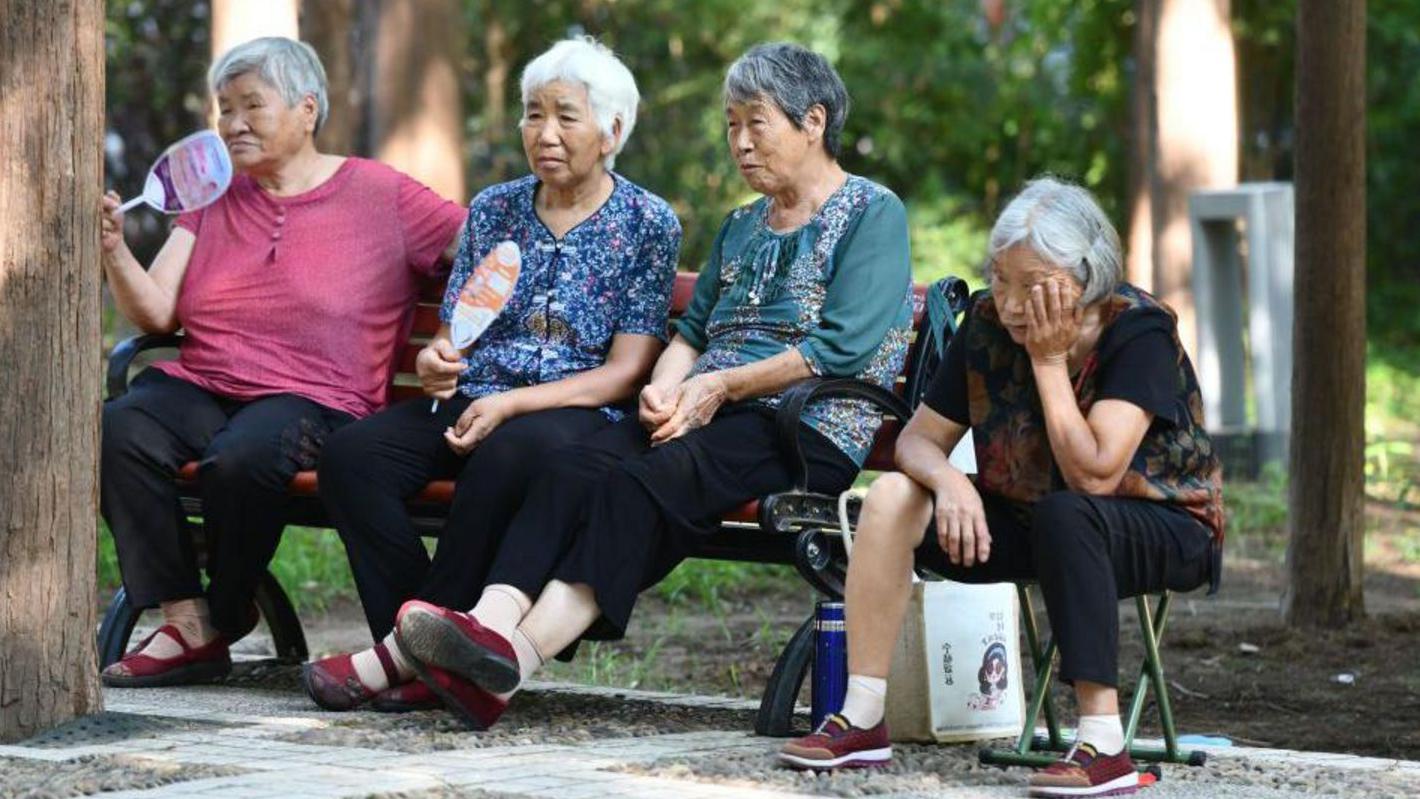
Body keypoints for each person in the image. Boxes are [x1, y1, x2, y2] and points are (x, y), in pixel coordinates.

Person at [386, 42, 917, 731]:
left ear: (813, 121)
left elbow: (839, 346)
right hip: (708, 410)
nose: (740, 143)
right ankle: (489, 624)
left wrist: (718, 387)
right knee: (575, 463)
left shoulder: (872, 213)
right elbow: (691, 332)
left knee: (645, 482)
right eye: (731, 125)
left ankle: (508, 663)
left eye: (756, 123)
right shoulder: (742, 225)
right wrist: (666, 389)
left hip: (804, 421)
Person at [777, 177, 1223, 798]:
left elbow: (1094, 474)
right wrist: (947, 484)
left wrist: (1047, 362)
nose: (1011, 303)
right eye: (1001, 278)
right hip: (1029, 517)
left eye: (1030, 284)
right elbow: (915, 442)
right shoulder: (987, 322)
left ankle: (1104, 745)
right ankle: (862, 716)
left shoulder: (1137, 331)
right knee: (892, 496)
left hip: (1162, 521)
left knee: (1070, 513)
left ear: (1085, 276)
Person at [302, 37, 681, 714]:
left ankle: (402, 657)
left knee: (509, 450)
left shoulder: (648, 223)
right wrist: (435, 359)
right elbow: (454, 332)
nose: (545, 133)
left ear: (613, 130)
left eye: (567, 116)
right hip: (476, 394)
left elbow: (626, 373)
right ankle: (432, 647)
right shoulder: (496, 208)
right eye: (534, 115)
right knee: (353, 458)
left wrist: (513, 406)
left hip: (574, 408)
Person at [99, 37, 466, 687]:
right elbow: (157, 314)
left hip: (317, 400)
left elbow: (486, 246)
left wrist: (458, 332)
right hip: (207, 381)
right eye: (224, 108)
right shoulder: (213, 195)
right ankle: (187, 622)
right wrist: (113, 249)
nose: (232, 124)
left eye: (251, 106)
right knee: (120, 427)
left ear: (306, 109)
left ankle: (227, 607)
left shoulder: (383, 195)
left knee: (243, 457)